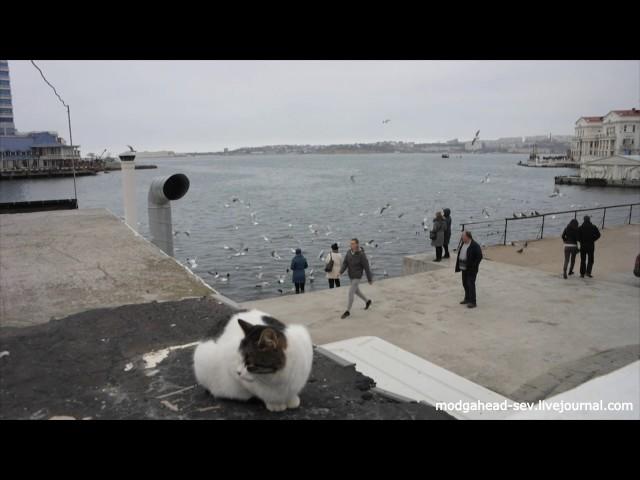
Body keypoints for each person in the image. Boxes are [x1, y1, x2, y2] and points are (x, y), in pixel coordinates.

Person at [339, 238, 373, 319]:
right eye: (351, 243)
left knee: (351, 292)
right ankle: (367, 301)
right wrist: (340, 272)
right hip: (351, 275)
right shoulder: (348, 252)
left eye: (353, 243)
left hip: (357, 276)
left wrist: (369, 279)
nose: (351, 245)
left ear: (357, 244)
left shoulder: (362, 255)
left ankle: (348, 311)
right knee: (357, 291)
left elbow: (367, 267)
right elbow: (345, 263)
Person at [454, 230, 483, 308]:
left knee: (471, 284)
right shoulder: (463, 243)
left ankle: (473, 302)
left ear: (467, 237)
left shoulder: (475, 245)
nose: (461, 238)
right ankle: (467, 298)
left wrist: (474, 265)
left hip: (471, 269)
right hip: (464, 268)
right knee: (465, 283)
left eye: (463, 236)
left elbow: (479, 256)